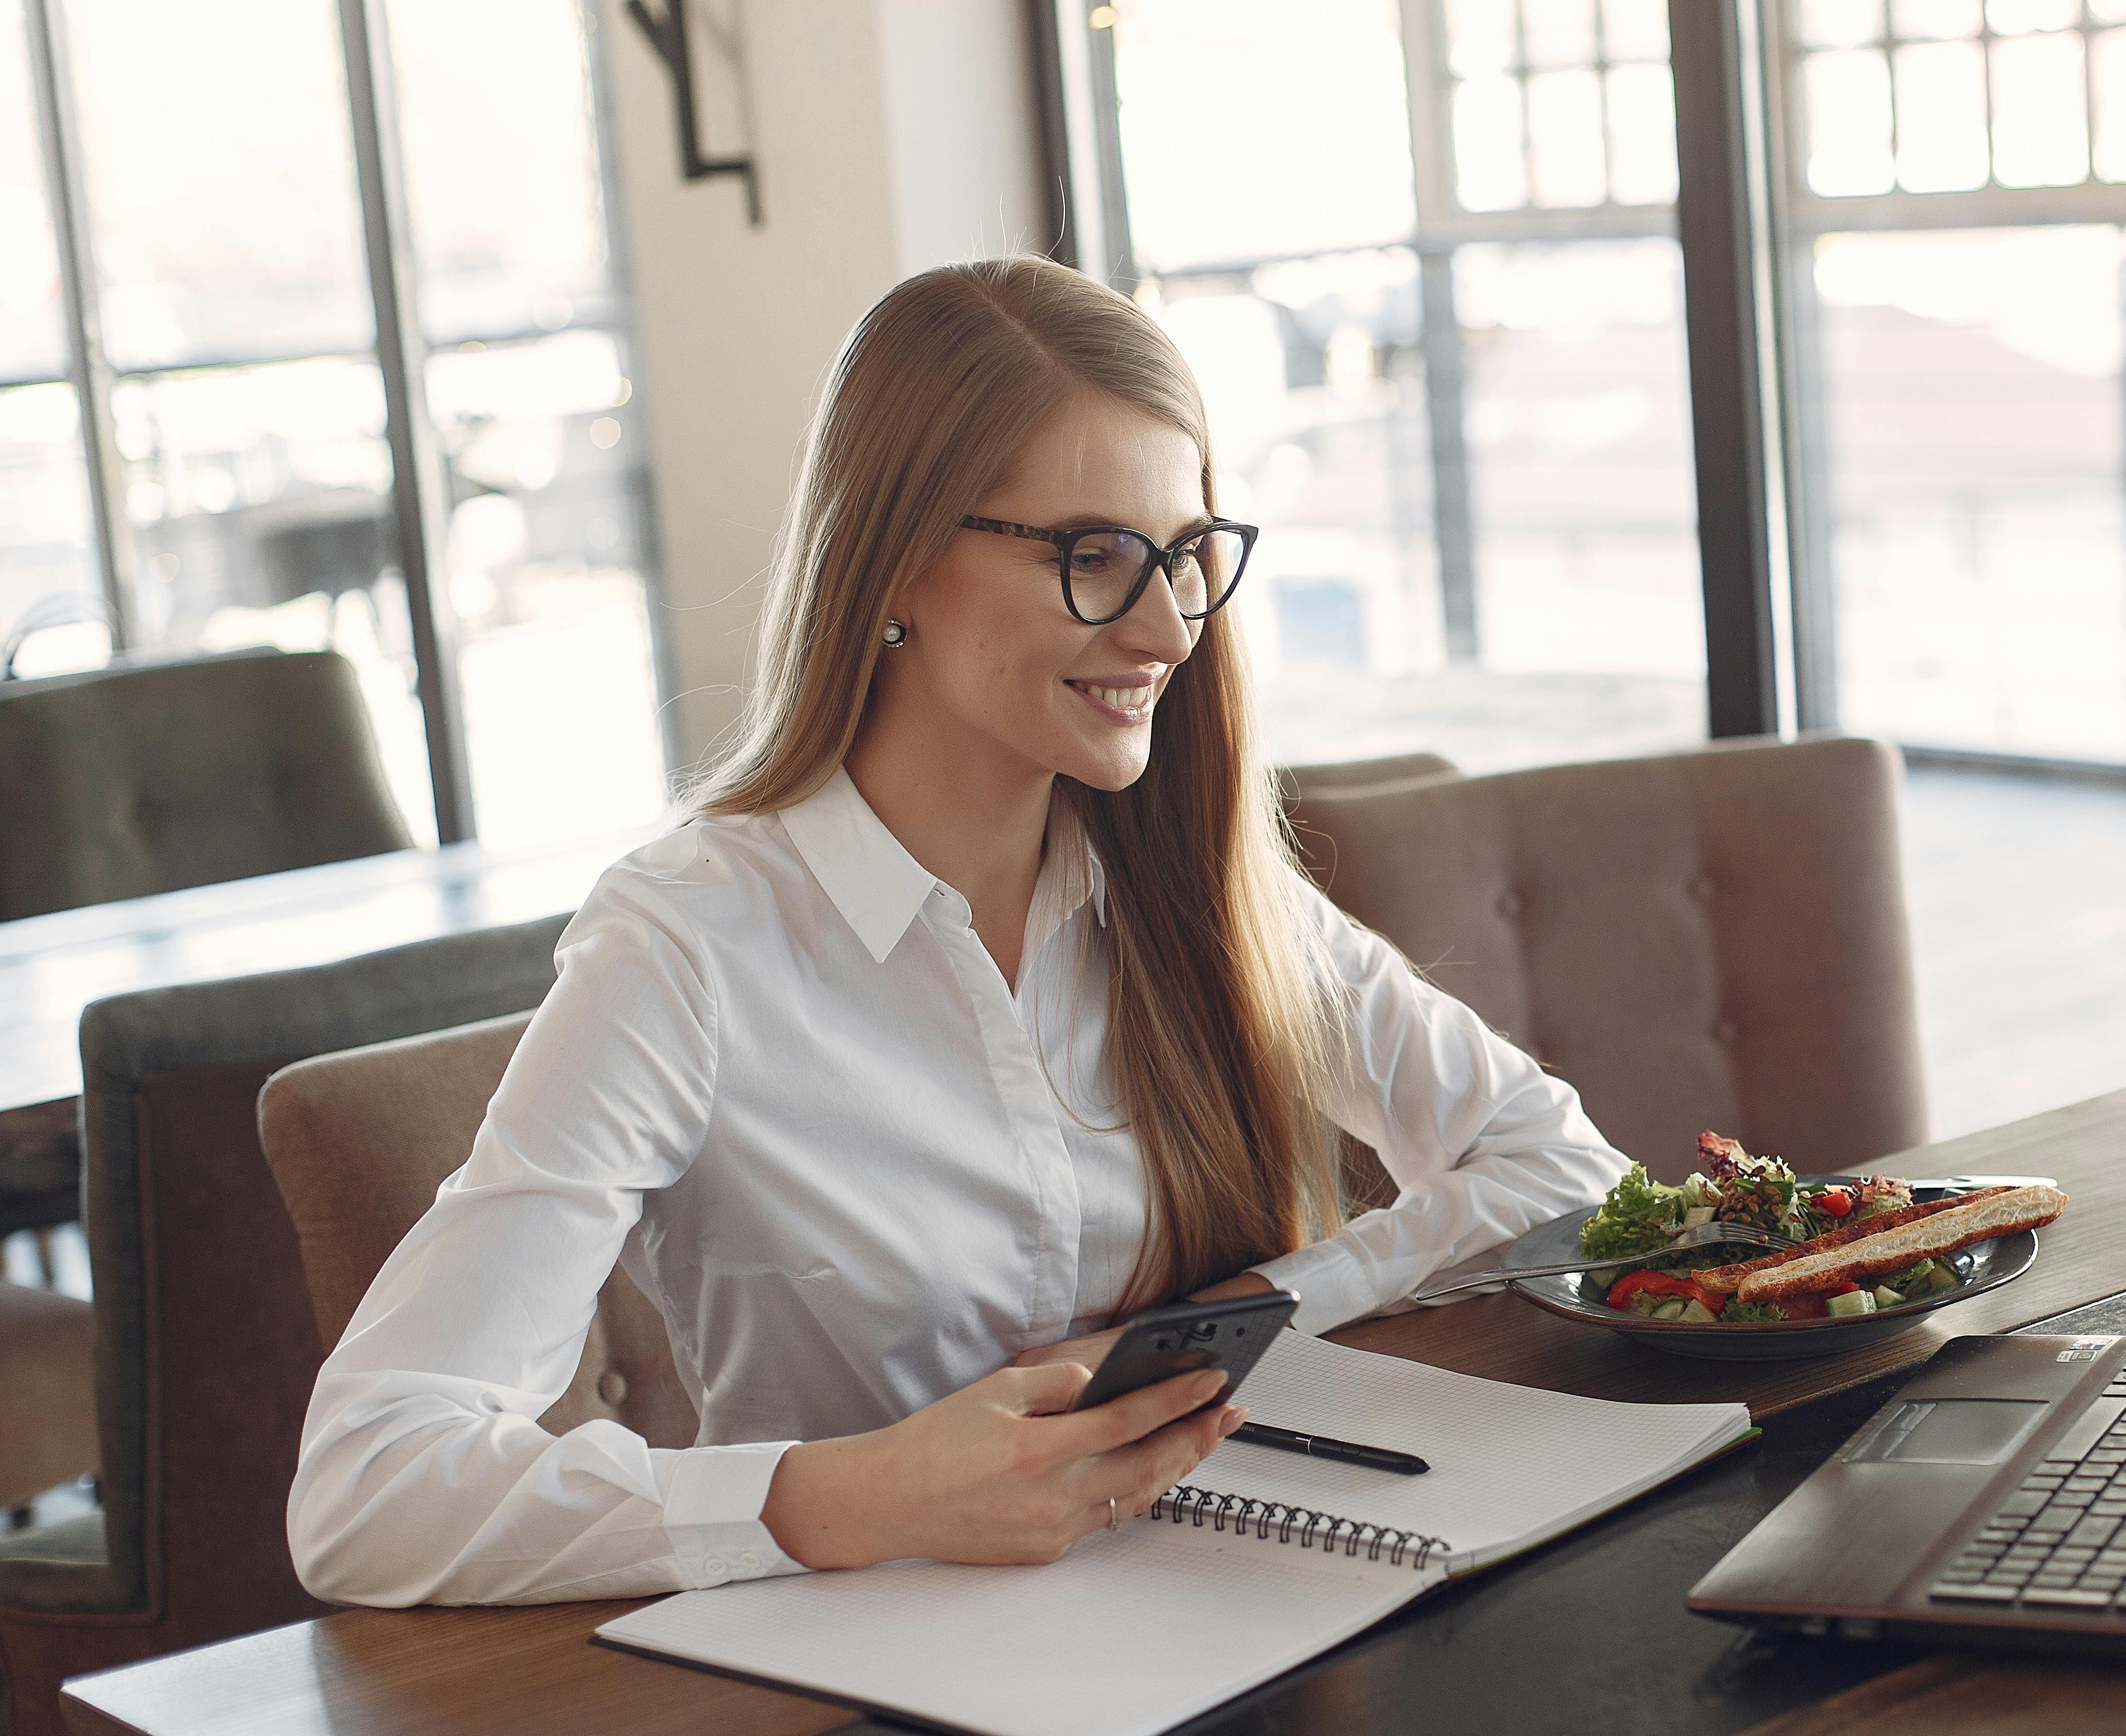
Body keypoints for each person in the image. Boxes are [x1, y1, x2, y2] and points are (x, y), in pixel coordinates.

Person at [285, 259, 1625, 1607]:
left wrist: (1215, 1330)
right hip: (867, 1694)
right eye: (1094, 558)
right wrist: (861, 1491)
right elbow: (369, 1487)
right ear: (898, 562)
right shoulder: (685, 946)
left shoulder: (1189, 877)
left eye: (1186, 556)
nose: (1167, 628)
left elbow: (1555, 1167)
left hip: (1221, 1611)